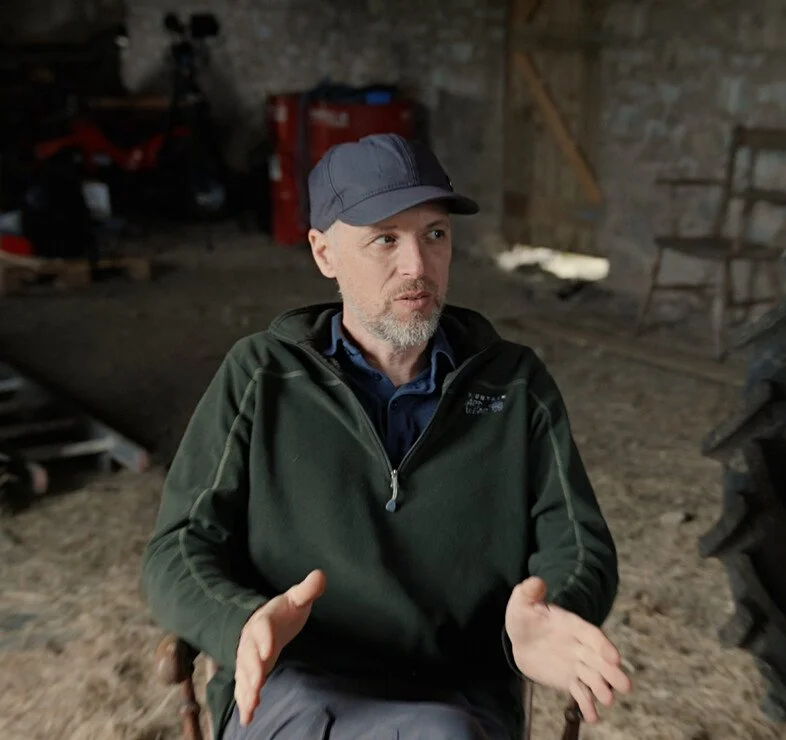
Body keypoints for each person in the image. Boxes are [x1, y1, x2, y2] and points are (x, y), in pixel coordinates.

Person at [141, 133, 632, 740]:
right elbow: (179, 546)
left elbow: (579, 541)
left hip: (456, 692)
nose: (417, 267)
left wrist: (554, 610)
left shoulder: (514, 384)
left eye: (435, 234)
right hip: (294, 685)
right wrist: (239, 622)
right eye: (384, 239)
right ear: (324, 253)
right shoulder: (262, 376)